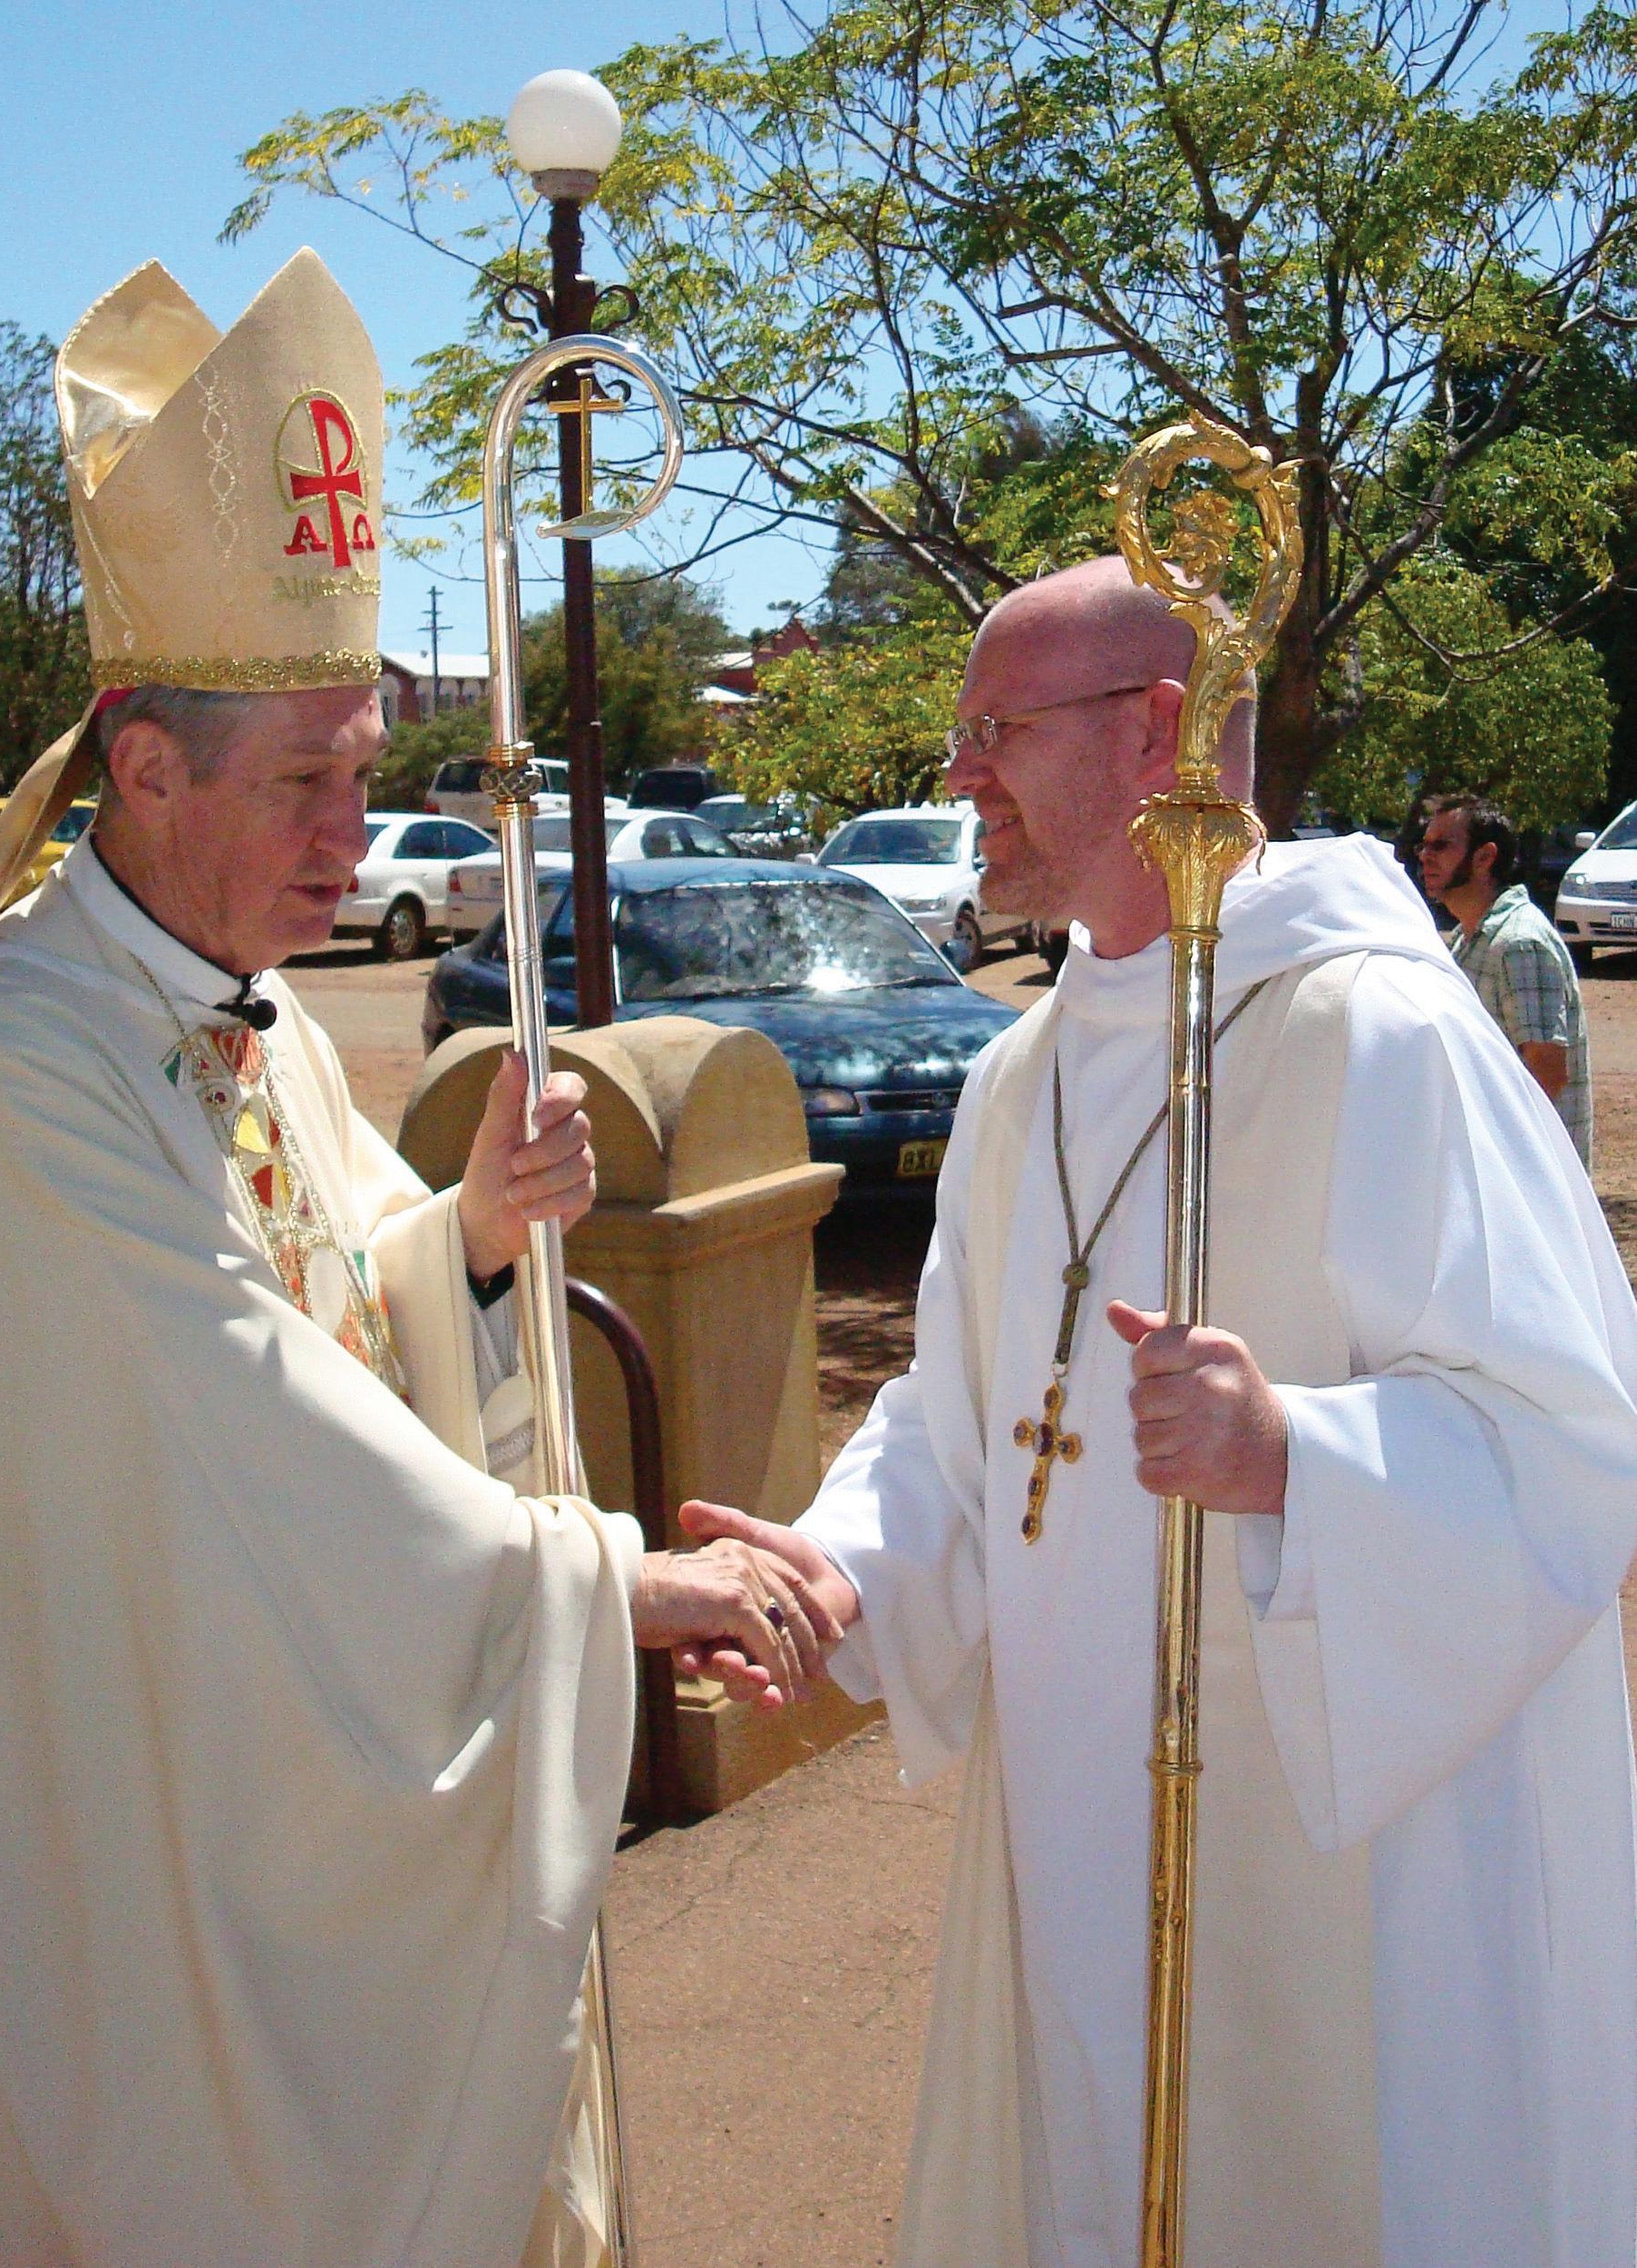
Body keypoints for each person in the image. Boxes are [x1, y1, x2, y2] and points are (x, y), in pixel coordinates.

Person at [0, 250, 828, 2268]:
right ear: (141, 769)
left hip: (253, 1768)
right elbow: (238, 1414)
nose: (357, 836)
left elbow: (340, 1294)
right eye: (306, 783)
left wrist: (472, 1235)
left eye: (364, 772)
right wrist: (610, 1579)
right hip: (141, 1819)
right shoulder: (15, 1062)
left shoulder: (248, 1007)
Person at [685, 556, 1637, 2268]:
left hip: (1341, 1850)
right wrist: (838, 1569)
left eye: (996, 730)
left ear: (1158, 736)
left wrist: (1296, 1460)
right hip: (1076, 1816)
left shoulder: (1379, 1033)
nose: (958, 774)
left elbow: (1567, 1441)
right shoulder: (1019, 1073)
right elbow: (969, 1420)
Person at [1418, 792, 1592, 1164]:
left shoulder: (1519, 943)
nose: (1425, 856)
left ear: (1485, 857)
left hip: (1527, 1171)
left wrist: (1500, 1161)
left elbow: (1547, 1072)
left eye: (1441, 845)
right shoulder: (1468, 937)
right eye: (1424, 845)